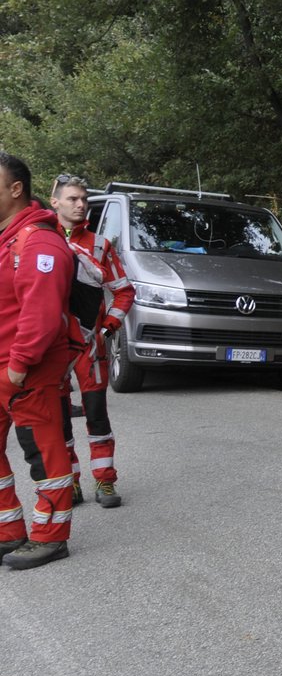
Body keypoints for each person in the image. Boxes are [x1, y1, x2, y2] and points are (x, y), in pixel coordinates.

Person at [0, 152, 77, 570]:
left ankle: (51, 536)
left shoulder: (39, 240)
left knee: (43, 453)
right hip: (4, 368)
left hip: (26, 370)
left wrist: (19, 363)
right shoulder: (6, 239)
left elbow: (42, 312)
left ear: (16, 189)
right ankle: (7, 531)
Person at [51, 175, 133, 508]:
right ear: (54, 201)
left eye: (83, 198)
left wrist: (109, 326)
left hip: (89, 346)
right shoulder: (39, 240)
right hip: (50, 349)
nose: (81, 204)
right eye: (72, 198)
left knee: (97, 415)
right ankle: (70, 482)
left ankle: (105, 482)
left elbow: (124, 291)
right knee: (57, 420)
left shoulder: (99, 244)